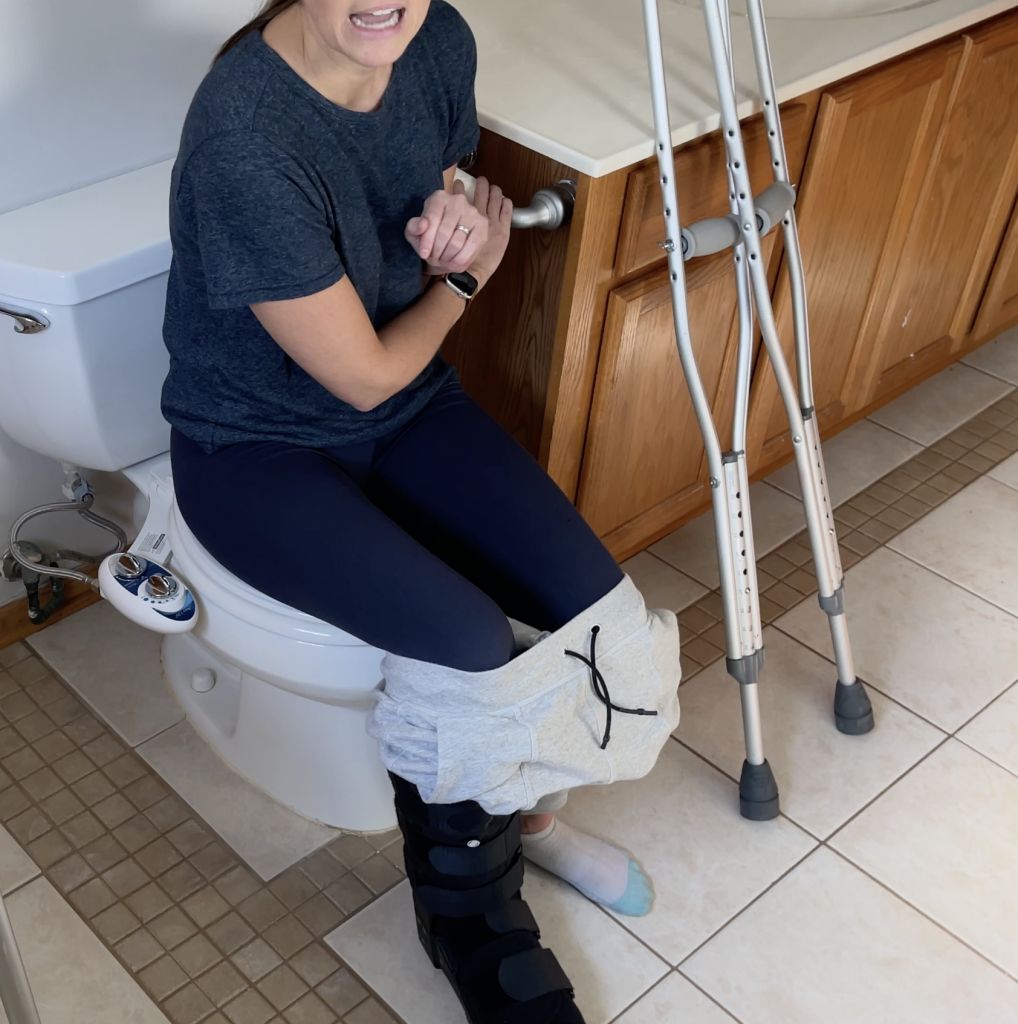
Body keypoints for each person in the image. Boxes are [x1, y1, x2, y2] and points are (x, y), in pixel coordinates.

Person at [161, 1, 682, 1020]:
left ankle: (525, 814)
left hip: (410, 407)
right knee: (468, 643)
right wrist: (466, 272)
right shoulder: (244, 139)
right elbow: (361, 375)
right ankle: (470, 917)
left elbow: (444, 188)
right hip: (254, 449)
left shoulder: (436, 39)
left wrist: (460, 207)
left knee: (589, 603)